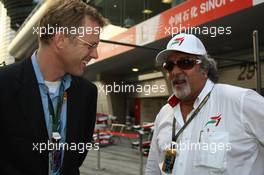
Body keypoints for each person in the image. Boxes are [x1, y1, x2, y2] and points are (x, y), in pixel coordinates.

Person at [0, 0, 107, 174]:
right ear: (61, 40)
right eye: (90, 45)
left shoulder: (87, 92)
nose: (95, 54)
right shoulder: (4, 84)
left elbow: (76, 158)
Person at [145, 33, 264, 175]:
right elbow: (153, 168)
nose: (175, 72)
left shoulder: (241, 101)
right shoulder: (164, 113)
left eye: (185, 63)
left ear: (205, 69)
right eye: (169, 66)